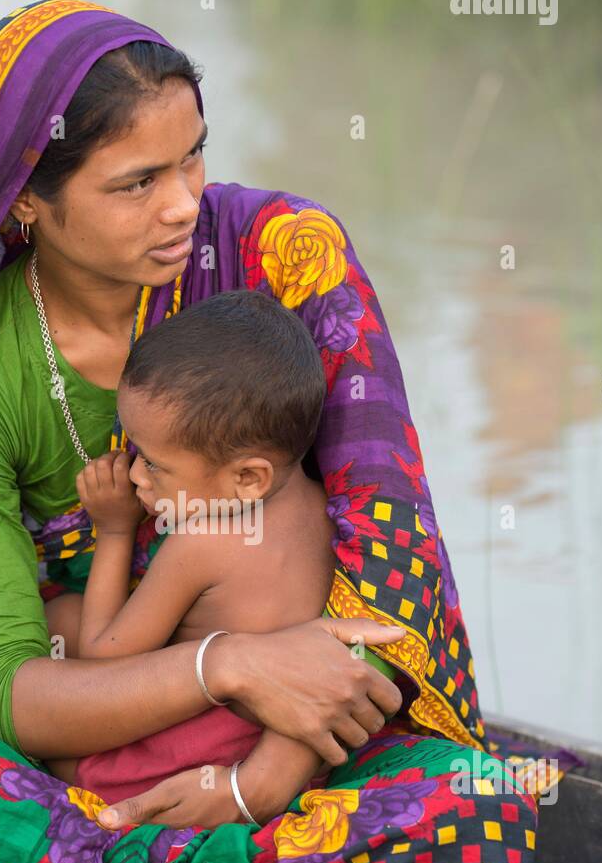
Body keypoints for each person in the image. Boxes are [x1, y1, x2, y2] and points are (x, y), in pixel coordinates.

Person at [0, 0, 547, 863]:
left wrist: (261, 779)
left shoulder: (282, 258)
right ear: (23, 205)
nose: (183, 203)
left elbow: (386, 563)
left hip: (300, 740)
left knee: (473, 800)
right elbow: (9, 687)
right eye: (136, 182)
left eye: (191, 160)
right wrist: (221, 663)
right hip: (84, 745)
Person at [50, 286, 402, 821]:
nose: (135, 474)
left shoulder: (201, 545)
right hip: (285, 749)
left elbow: (105, 660)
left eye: (154, 464)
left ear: (248, 478)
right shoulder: (330, 507)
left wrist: (117, 531)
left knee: (61, 616)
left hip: (176, 767)